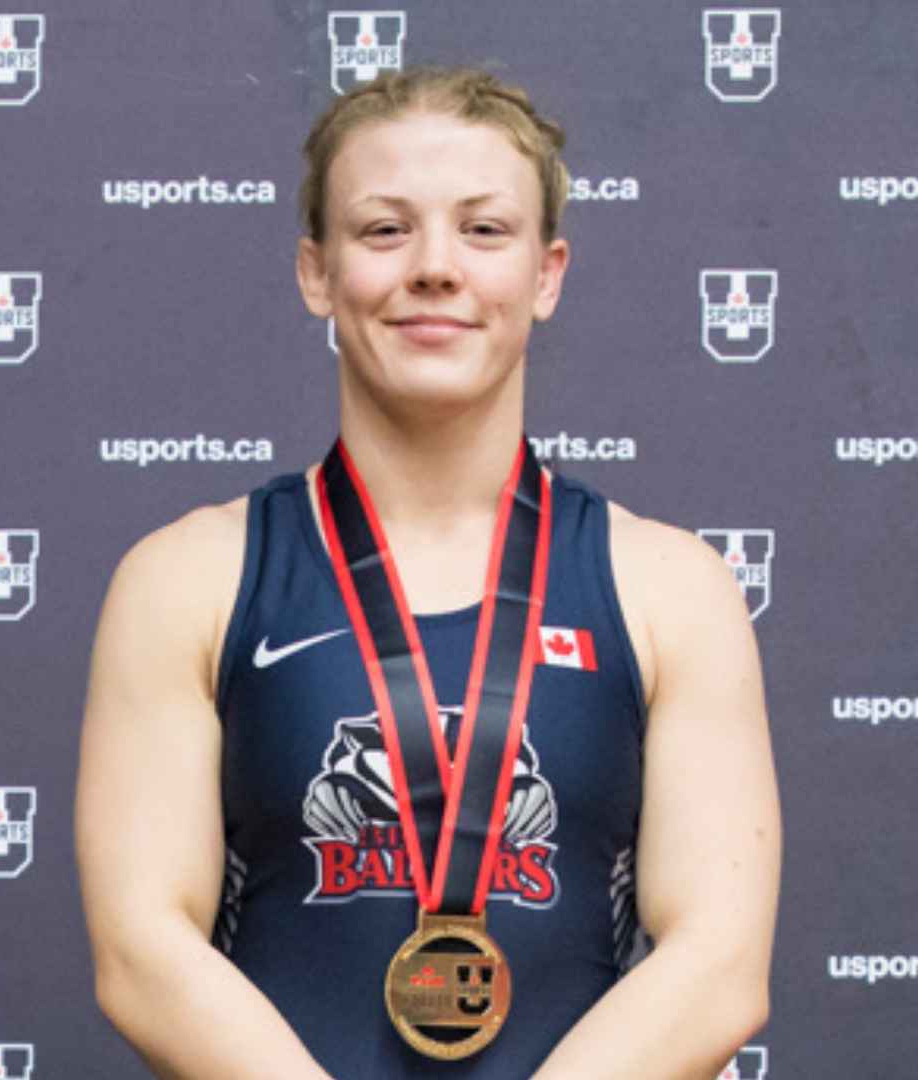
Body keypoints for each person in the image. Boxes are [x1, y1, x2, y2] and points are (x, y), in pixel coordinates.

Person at [76, 68, 777, 1079]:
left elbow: (718, 966)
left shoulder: (672, 588)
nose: (436, 268)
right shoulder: (188, 578)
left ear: (548, 273)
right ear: (316, 272)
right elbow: (143, 952)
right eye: (384, 230)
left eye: (485, 230)